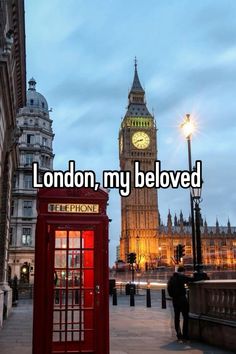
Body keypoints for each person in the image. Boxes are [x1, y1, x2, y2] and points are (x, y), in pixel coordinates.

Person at [167, 266, 193, 341]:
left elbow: (169, 290)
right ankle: (185, 334)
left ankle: (178, 334)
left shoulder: (171, 279)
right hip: (182, 299)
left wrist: (173, 295)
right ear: (182, 271)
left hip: (175, 300)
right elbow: (190, 279)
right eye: (184, 272)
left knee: (176, 317)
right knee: (185, 316)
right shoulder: (181, 277)